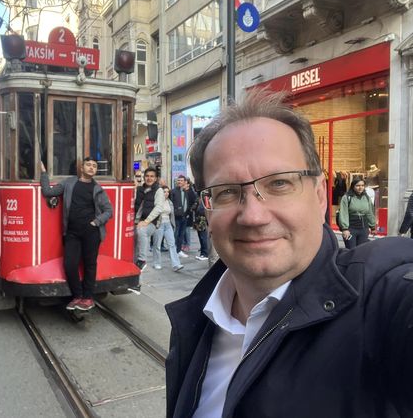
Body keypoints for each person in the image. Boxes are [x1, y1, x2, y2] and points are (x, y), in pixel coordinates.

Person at [165, 90, 413, 417]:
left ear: (320, 195)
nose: (253, 216)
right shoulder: (197, 318)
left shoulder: (381, 299)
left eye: (279, 184)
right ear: (207, 211)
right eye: (227, 192)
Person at [40, 157, 113, 311]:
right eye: (89, 165)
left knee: (90, 265)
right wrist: (44, 173)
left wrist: (96, 222)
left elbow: (109, 211)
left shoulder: (97, 188)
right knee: (69, 264)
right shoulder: (69, 183)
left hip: (91, 233)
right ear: (82, 168)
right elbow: (48, 192)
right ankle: (77, 296)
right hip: (72, 232)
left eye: (94, 166)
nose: (91, 167)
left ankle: (88, 298)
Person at [134, 167, 164, 270]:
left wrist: (146, 221)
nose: (149, 178)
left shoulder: (159, 190)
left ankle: (142, 260)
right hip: (137, 220)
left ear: (155, 178)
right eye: (147, 176)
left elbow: (159, 208)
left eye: (152, 176)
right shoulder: (139, 189)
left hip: (152, 222)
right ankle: (134, 262)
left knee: (141, 230)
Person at [337, 176, 376, 248]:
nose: (360, 188)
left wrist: (373, 227)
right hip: (351, 228)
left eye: (362, 185)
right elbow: (343, 213)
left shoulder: (366, 197)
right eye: (357, 186)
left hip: (363, 228)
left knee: (361, 250)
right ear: (353, 186)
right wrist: (345, 229)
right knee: (351, 250)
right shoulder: (347, 197)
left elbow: (370, 212)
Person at [152, 186, 183, 271]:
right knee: (157, 245)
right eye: (164, 192)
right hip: (159, 224)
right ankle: (156, 263)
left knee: (172, 244)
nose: (166, 193)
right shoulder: (156, 202)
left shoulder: (169, 202)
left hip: (168, 224)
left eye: (167, 192)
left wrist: (173, 225)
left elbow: (171, 215)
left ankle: (176, 264)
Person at [171, 175, 196, 257]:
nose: (179, 182)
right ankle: (174, 250)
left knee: (181, 234)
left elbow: (189, 202)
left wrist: (188, 213)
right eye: (178, 180)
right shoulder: (173, 191)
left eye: (181, 180)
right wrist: (175, 212)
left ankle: (178, 250)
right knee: (176, 234)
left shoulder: (186, 191)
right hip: (176, 216)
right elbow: (171, 203)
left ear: (185, 182)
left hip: (184, 216)